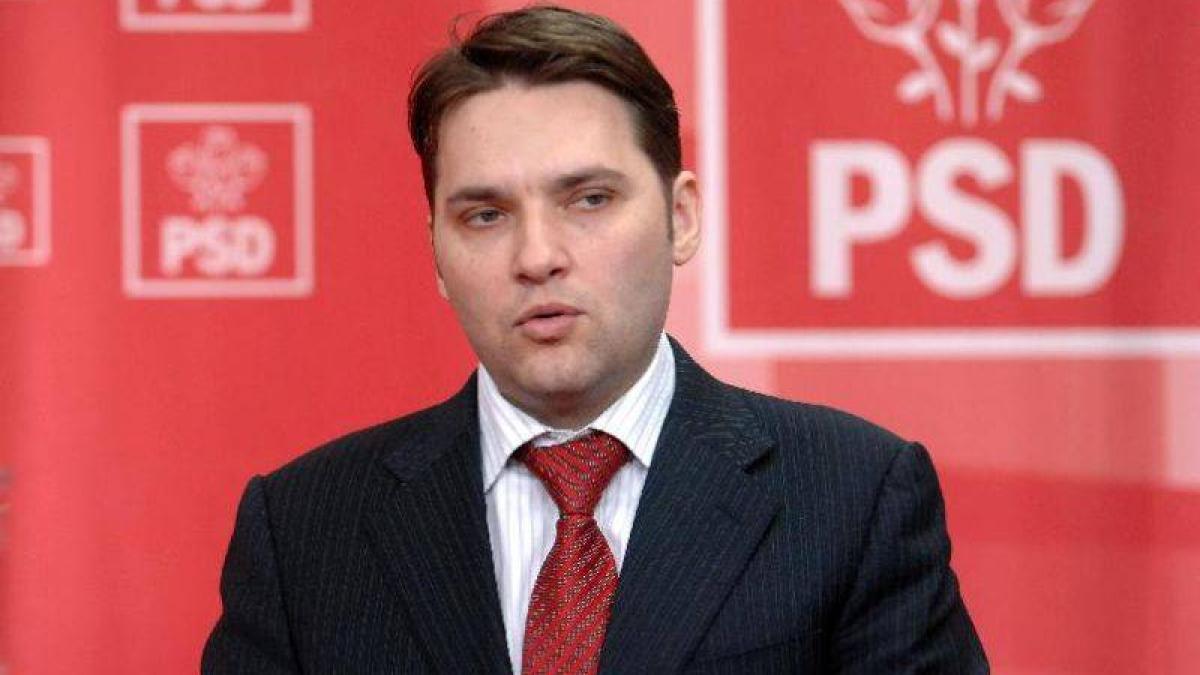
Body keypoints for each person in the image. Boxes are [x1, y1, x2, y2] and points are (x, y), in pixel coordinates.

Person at [202, 6, 988, 674]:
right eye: (485, 214)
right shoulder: (304, 529)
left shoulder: (853, 497)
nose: (537, 254)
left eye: (588, 199)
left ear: (681, 216)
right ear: (435, 249)